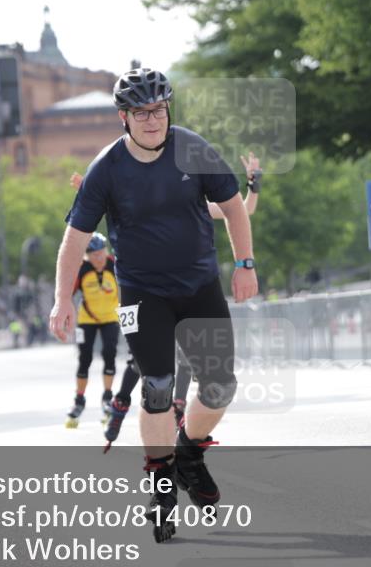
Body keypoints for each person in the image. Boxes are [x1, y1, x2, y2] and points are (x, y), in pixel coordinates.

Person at [50, 67, 258, 543]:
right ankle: (161, 481)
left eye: (159, 110)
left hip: (200, 285)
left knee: (221, 385)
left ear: (168, 111)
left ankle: (189, 451)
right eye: (141, 113)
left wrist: (244, 263)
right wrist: (63, 297)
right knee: (159, 385)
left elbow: (232, 207)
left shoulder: (193, 148)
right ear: (124, 118)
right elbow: (74, 239)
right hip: (142, 293)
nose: (152, 121)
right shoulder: (106, 168)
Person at [72, 157, 264, 448]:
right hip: (139, 289)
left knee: (184, 355)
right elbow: (95, 206)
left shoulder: (190, 205)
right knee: (139, 360)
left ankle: (178, 408)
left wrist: (254, 184)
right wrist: (86, 187)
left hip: (183, 290)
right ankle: (120, 404)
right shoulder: (130, 200)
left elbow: (242, 210)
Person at [64, 232, 120, 428]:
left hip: (110, 318)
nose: (98, 258)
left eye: (101, 253)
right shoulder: (82, 269)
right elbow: (67, 294)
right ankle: (79, 400)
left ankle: (107, 397)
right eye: (93, 255)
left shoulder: (114, 265)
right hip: (86, 319)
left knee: (109, 354)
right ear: (86, 255)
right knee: (84, 358)